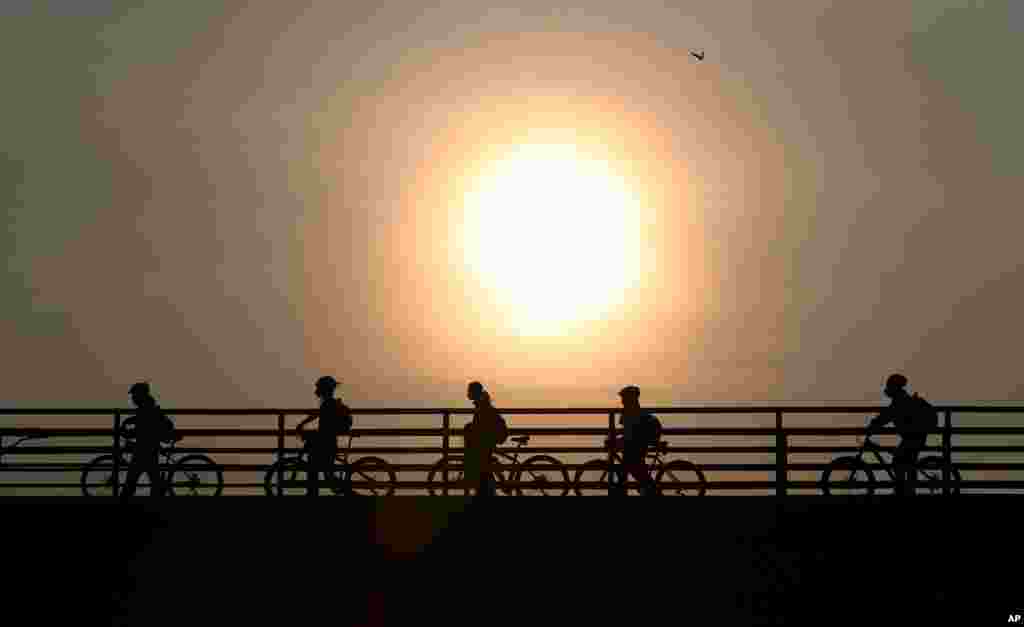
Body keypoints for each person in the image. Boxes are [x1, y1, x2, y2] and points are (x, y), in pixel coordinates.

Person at [867, 374, 933, 496]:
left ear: (894, 387)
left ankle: (903, 489)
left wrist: (873, 425)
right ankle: (907, 489)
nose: (888, 388)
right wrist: (876, 423)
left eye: (890, 386)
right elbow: (888, 414)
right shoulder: (901, 399)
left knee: (899, 460)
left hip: (914, 436)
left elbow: (887, 415)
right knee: (907, 461)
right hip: (915, 436)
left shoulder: (900, 401)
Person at [295, 376, 353, 496]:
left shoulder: (328, 404)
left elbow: (318, 418)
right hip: (328, 443)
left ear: (324, 389)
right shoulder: (329, 403)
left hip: (326, 444)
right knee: (324, 473)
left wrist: (302, 426)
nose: (316, 390)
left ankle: (314, 493)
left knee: (318, 470)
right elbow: (319, 418)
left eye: (318, 387)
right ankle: (317, 491)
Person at [120, 382, 177, 498]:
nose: (132, 398)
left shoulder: (145, 410)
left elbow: (140, 430)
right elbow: (138, 425)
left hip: (144, 450)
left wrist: (126, 432)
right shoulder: (148, 407)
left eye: (134, 395)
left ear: (140, 395)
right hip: (150, 448)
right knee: (153, 479)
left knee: (131, 480)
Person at [608, 385, 660, 496]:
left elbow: (629, 435)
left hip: (635, 447)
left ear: (629, 398)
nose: (621, 401)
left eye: (623, 398)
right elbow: (628, 434)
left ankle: (652, 491)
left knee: (636, 472)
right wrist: (618, 441)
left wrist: (614, 441)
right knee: (633, 472)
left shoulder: (630, 413)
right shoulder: (634, 411)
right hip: (637, 446)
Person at [463, 381, 506, 498]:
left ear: (474, 392)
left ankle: (489, 491)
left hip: (491, 436)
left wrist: (469, 430)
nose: (467, 393)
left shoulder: (482, 404)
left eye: (469, 391)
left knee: (483, 463)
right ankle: (488, 490)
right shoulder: (482, 402)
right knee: (485, 465)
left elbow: (481, 424)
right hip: (491, 435)